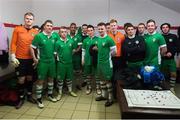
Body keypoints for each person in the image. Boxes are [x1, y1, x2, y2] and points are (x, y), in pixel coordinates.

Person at [10, 12, 38, 109]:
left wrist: (36, 58)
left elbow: (37, 47)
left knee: (30, 78)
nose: (28, 20)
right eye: (27, 18)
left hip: (31, 59)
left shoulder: (35, 31)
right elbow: (13, 43)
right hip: (20, 59)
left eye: (30, 19)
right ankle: (21, 98)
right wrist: (13, 56)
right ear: (24, 19)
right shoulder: (17, 29)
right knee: (21, 79)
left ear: (33, 20)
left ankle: (29, 95)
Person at [30, 20, 59, 108]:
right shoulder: (39, 36)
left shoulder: (54, 36)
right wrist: (34, 59)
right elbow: (31, 47)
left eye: (51, 26)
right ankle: (39, 99)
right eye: (48, 25)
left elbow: (57, 47)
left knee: (51, 79)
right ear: (44, 27)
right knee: (41, 80)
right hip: (42, 62)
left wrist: (56, 56)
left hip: (52, 62)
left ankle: (49, 95)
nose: (50, 27)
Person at [95, 22, 116, 107]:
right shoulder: (98, 39)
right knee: (101, 80)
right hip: (99, 63)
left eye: (102, 29)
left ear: (105, 29)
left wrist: (108, 56)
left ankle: (110, 99)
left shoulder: (109, 39)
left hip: (107, 64)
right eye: (99, 29)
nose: (100, 30)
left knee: (108, 81)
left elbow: (115, 52)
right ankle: (104, 96)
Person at [55, 26, 77, 101]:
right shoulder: (57, 42)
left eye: (65, 32)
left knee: (69, 78)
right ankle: (60, 93)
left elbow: (73, 50)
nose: (64, 33)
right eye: (62, 32)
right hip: (61, 64)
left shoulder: (71, 41)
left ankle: (70, 91)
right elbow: (55, 53)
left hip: (69, 63)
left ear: (67, 32)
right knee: (60, 79)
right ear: (59, 33)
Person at [82, 25, 101, 95]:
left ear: (94, 31)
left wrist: (97, 49)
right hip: (87, 60)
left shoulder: (98, 39)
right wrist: (82, 59)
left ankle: (98, 87)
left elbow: (101, 50)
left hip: (95, 60)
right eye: (88, 31)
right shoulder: (85, 40)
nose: (90, 32)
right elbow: (83, 50)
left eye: (91, 30)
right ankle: (89, 87)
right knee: (88, 75)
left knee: (97, 75)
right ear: (87, 32)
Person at [108, 19, 125, 98]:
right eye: (111, 26)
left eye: (114, 25)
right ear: (110, 27)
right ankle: (112, 94)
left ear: (117, 26)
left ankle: (118, 94)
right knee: (111, 76)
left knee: (118, 77)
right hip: (110, 59)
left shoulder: (122, 36)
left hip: (119, 59)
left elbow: (124, 48)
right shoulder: (107, 36)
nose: (113, 27)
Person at [160, 23, 178, 92]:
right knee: (162, 75)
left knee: (173, 74)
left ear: (169, 28)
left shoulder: (174, 36)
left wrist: (172, 52)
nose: (165, 28)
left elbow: (177, 47)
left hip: (171, 59)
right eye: (163, 27)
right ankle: (162, 87)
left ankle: (172, 88)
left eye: (166, 27)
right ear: (161, 29)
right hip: (162, 60)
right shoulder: (160, 36)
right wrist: (161, 54)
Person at [67, 23, 82, 90]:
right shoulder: (66, 36)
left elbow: (80, 47)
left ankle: (77, 84)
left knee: (77, 72)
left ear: (76, 29)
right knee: (68, 71)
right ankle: (68, 86)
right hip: (68, 57)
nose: (73, 28)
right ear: (69, 28)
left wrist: (75, 51)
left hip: (76, 57)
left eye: (74, 27)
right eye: (72, 27)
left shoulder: (78, 36)